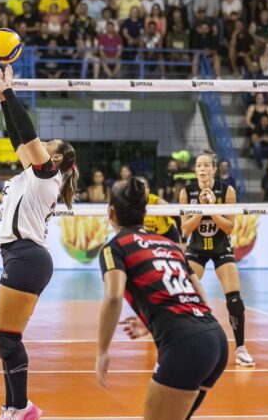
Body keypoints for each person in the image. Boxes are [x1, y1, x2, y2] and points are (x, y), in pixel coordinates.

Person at [0, 65, 78, 420]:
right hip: (21, 256)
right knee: (4, 338)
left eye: (47, 145)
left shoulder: (48, 173)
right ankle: (13, 407)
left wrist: (11, 93)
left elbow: (27, 132)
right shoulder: (34, 173)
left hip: (27, 257)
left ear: (54, 158)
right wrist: (2, 101)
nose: (41, 143)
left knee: (7, 338)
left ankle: (23, 408)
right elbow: (18, 138)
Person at [96, 178, 226, 420]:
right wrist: (149, 324)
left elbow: (114, 296)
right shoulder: (169, 244)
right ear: (145, 213)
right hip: (216, 339)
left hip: (185, 346)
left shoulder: (115, 247)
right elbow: (200, 297)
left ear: (110, 212)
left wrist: (102, 351)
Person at [179, 150, 254, 367]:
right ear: (195, 170)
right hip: (197, 249)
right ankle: (184, 345)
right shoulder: (187, 192)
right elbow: (185, 228)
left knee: (235, 300)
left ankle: (241, 349)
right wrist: (202, 210)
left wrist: (213, 209)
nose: (202, 169)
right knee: (184, 296)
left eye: (206, 166)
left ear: (213, 169)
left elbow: (229, 228)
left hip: (222, 248)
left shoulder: (227, 191)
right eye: (198, 166)